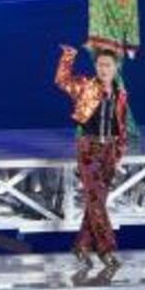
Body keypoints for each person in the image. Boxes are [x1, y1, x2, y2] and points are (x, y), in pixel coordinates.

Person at [55, 44, 128, 268]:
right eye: (100, 65)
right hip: (89, 148)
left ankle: (82, 245)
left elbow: (121, 124)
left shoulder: (120, 93)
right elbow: (62, 81)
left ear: (116, 68)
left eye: (108, 65)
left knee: (97, 202)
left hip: (110, 149)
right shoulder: (86, 86)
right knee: (96, 199)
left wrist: (119, 151)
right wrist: (68, 56)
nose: (104, 69)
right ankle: (107, 249)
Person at [80, 0, 140, 138]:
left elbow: (133, 15)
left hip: (118, 44)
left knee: (103, 86)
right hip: (100, 40)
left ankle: (85, 127)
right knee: (116, 85)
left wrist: (132, 43)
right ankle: (128, 129)